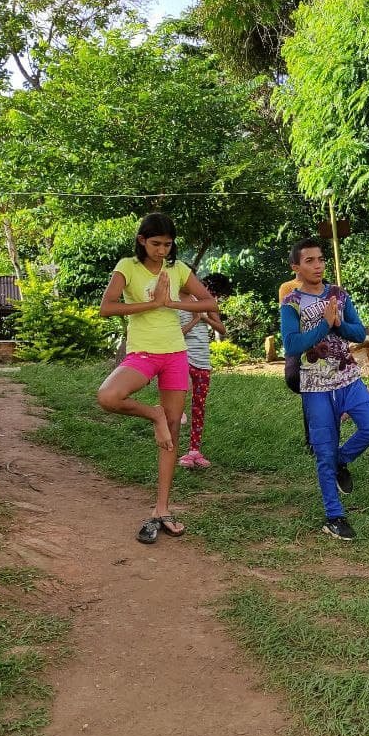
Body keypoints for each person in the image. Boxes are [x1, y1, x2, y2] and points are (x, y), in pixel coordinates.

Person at [97, 212, 218, 544]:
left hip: (175, 355)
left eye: (167, 244)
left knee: (173, 433)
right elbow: (106, 307)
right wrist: (151, 305)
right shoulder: (127, 267)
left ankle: (161, 508)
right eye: (155, 244)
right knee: (109, 396)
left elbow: (210, 302)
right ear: (141, 241)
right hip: (143, 354)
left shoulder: (178, 270)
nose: (162, 250)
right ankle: (154, 415)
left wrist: (173, 302)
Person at [280, 239, 369, 540]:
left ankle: (343, 460)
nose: (318, 266)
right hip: (315, 386)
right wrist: (323, 326)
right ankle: (334, 516)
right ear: (296, 268)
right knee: (324, 451)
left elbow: (359, 332)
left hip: (348, 378)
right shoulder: (291, 304)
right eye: (310, 261)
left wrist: (338, 323)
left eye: (321, 260)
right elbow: (292, 345)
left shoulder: (339, 295)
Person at [177, 292, 228, 469]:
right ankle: (178, 411)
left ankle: (194, 451)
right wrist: (193, 320)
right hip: (182, 355)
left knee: (199, 406)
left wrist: (204, 318)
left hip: (203, 360)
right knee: (181, 390)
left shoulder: (205, 301)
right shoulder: (172, 302)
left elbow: (222, 330)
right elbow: (174, 335)